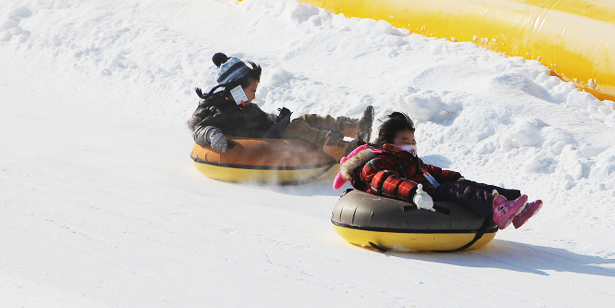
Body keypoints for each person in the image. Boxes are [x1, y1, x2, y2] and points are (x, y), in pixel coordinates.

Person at [338, 112, 542, 229]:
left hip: (425, 189)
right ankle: (498, 210)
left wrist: (454, 176)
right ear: (389, 144)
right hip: (418, 195)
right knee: (449, 190)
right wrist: (414, 193)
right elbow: (385, 180)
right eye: (405, 141)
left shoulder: (410, 160)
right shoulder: (377, 163)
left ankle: (516, 208)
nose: (411, 144)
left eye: (413, 141)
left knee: (462, 185)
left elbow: (431, 172)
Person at [187, 53, 373, 157]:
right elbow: (200, 129)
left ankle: (358, 128)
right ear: (237, 89)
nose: (253, 96)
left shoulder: (243, 106)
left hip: (270, 132)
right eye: (252, 90)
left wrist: (275, 118)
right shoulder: (222, 110)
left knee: (307, 119)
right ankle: (345, 150)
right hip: (266, 142)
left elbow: (260, 120)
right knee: (298, 127)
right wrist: (213, 135)